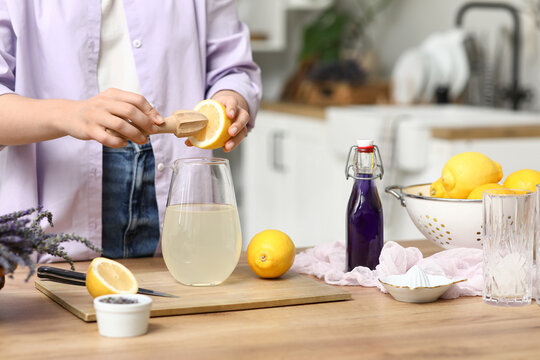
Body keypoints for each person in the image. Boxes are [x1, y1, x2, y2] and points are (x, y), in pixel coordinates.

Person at [0, 1, 262, 262]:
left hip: (181, 207)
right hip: (51, 231)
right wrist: (72, 114)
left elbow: (233, 69)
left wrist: (232, 96)